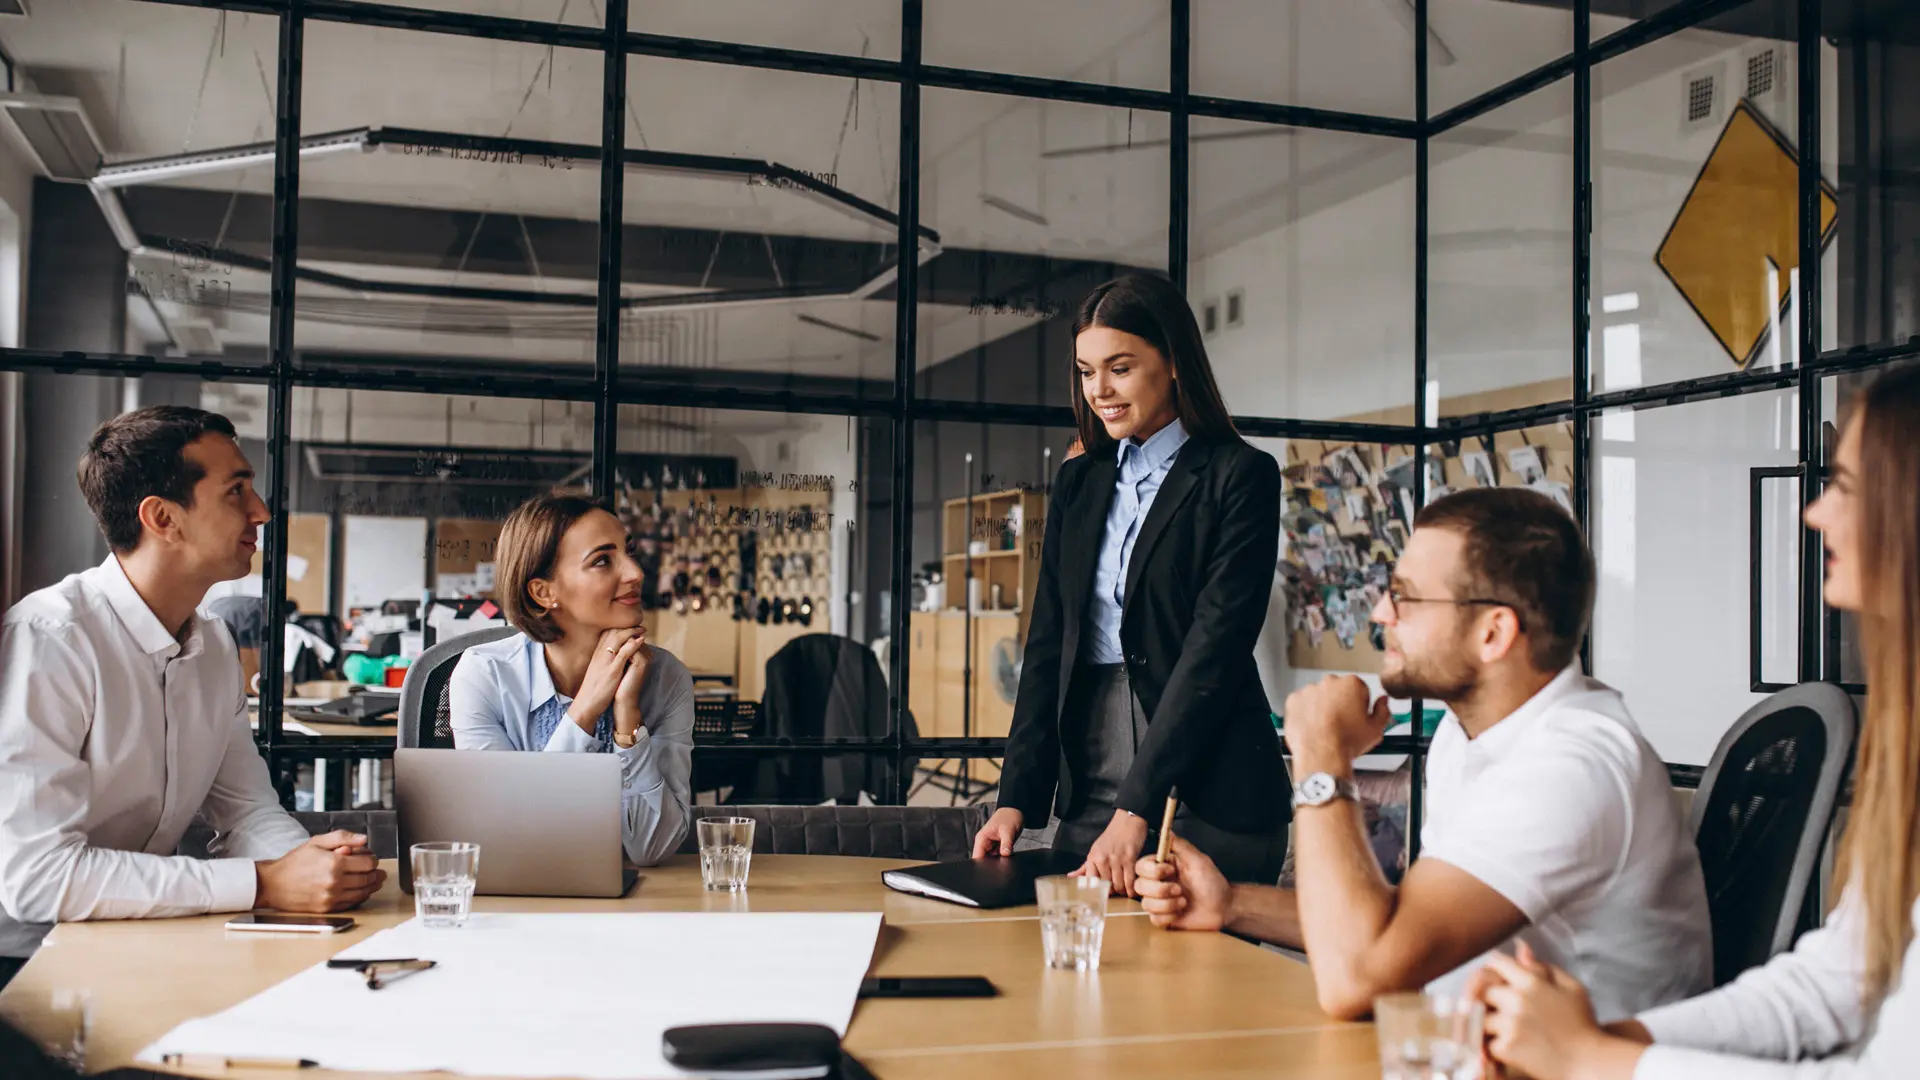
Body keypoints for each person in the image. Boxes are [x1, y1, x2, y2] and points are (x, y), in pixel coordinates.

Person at [1468, 364, 1920, 1080]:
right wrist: (1595, 1042)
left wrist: (1591, 1058)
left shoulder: (1582, 754)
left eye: (1848, 487)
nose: (1814, 512)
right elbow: (1826, 989)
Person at [1135, 486, 1711, 1022]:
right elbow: (1398, 928)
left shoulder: (1571, 767)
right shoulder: (1468, 735)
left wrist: (1321, 756)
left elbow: (1355, 978)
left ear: (1493, 633)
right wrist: (1230, 903)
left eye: (1405, 598)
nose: (1381, 615)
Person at [0, 407, 384, 989]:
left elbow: (247, 811)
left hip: (135, 942)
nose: (261, 511)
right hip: (25, 965)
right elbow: (37, 880)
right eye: (236, 491)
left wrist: (308, 866)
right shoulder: (50, 640)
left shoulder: (213, 646)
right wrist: (263, 882)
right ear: (162, 518)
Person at [972, 272, 1291, 893]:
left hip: (1211, 782)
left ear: (1173, 362)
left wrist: (1137, 807)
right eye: (1087, 372)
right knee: (1078, 970)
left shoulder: (1240, 476)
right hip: (1093, 771)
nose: (1100, 390)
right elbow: (1048, 641)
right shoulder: (1080, 480)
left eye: (1119, 367)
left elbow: (1213, 654)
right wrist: (1016, 796)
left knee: (1193, 986)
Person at [449, 492, 694, 866]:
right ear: (544, 593)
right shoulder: (484, 676)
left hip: (636, 908)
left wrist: (627, 721)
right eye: (602, 561)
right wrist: (585, 709)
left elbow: (653, 849)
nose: (635, 573)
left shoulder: (665, 678)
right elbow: (511, 836)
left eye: (629, 553)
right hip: (516, 904)